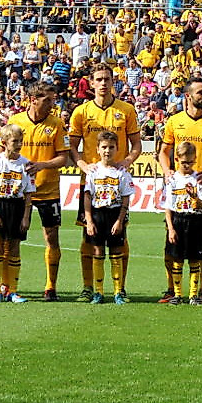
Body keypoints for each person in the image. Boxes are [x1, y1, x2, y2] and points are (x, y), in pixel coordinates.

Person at [69, 65, 141, 303]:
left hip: (116, 183)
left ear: (113, 82)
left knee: (121, 236)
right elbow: (72, 146)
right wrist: (82, 164)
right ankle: (89, 287)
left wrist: (126, 161)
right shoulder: (81, 112)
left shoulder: (126, 110)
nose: (103, 83)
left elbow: (136, 144)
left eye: (107, 79)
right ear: (91, 83)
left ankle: (121, 288)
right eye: (98, 79)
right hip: (91, 182)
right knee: (88, 237)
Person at [159, 78, 202, 304]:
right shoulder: (175, 121)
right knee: (172, 239)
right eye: (200, 92)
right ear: (188, 96)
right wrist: (167, 171)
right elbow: (163, 152)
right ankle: (172, 289)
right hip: (179, 191)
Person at [7, 83, 70, 301]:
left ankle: (50, 287)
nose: (52, 104)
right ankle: (9, 286)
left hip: (47, 189)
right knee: (12, 238)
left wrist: (43, 165)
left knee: (51, 237)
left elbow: (63, 158)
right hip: (18, 190)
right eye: (47, 100)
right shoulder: (16, 121)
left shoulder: (57, 124)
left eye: (53, 99)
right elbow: (3, 149)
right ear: (33, 100)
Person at [0, 124, 37, 304]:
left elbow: (28, 193)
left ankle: (12, 290)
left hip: (17, 206)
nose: (19, 145)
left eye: (21, 141)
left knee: (14, 247)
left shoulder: (25, 164)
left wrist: (26, 216)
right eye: (15, 141)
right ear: (4, 143)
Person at [82, 131, 135, 305]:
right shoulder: (93, 171)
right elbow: (87, 197)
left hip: (114, 214)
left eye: (111, 147)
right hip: (97, 215)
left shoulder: (122, 172)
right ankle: (98, 292)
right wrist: (89, 221)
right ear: (97, 149)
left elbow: (125, 198)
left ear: (117, 149)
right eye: (104, 147)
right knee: (97, 252)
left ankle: (118, 292)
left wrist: (120, 221)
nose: (107, 151)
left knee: (116, 252)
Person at [162, 141, 202, 305]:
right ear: (176, 159)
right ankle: (177, 294)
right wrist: (170, 228)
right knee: (177, 259)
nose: (187, 165)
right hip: (178, 221)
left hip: (195, 221)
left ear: (195, 159)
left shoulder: (199, 179)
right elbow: (168, 206)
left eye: (190, 162)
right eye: (184, 162)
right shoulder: (172, 179)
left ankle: (193, 295)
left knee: (195, 259)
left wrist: (194, 197)